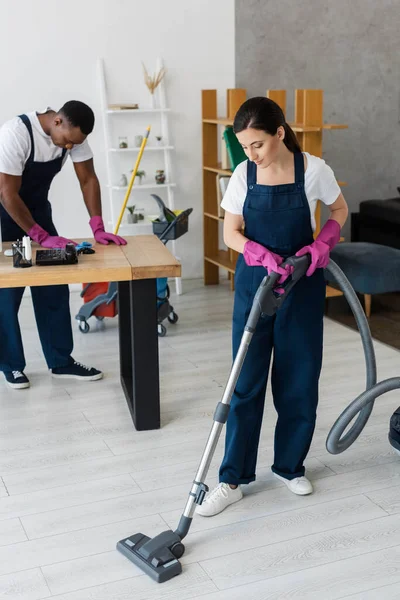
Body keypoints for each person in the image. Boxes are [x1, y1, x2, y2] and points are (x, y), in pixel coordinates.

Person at [197, 97, 348, 517]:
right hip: (255, 284)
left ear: (280, 133)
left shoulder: (313, 169)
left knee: (299, 378)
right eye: (245, 146)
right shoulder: (244, 174)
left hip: (301, 284)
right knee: (244, 383)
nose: (251, 154)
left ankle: (289, 466)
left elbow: (339, 209)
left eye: (258, 144)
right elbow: (230, 232)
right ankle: (231, 479)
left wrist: (323, 245)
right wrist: (258, 254)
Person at [0, 101, 126, 389]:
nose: (70, 148)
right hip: (5, 213)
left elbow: (88, 179)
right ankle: (11, 366)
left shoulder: (73, 136)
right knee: (7, 292)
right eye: (68, 142)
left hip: (38, 213)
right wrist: (39, 236)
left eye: (75, 144)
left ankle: (60, 361)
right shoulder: (16, 133)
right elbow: (6, 193)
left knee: (54, 285)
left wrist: (98, 226)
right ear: (57, 122)